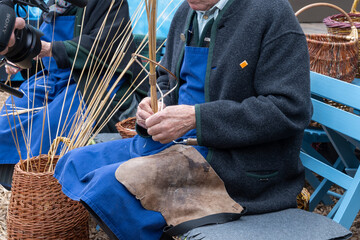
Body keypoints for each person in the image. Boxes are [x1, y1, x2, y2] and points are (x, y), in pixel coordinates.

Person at [54, 0, 313, 239]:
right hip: (177, 144)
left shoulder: (270, 12)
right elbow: (167, 78)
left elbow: (290, 109)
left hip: (236, 164)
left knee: (113, 186)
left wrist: (196, 119)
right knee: (75, 163)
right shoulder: (186, 12)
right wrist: (155, 106)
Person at [0, 0, 147, 188]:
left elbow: (106, 47)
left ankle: (53, 191)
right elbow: (39, 45)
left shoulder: (109, 2)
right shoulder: (52, 5)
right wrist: (20, 55)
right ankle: (25, 188)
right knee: (8, 122)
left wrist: (48, 49)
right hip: (54, 79)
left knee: (52, 124)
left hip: (94, 80)